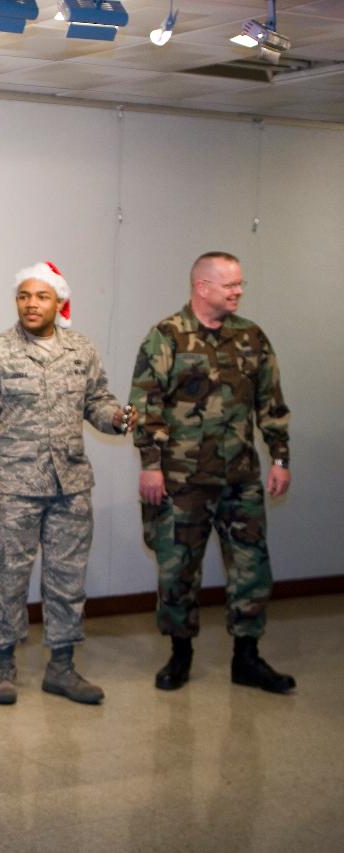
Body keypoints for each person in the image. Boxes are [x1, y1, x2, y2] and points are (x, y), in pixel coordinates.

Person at [0, 262, 136, 706]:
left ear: (58, 302)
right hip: (14, 485)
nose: (31, 303)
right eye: (24, 296)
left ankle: (61, 667)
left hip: (71, 484)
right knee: (7, 578)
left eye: (41, 296)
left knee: (68, 580)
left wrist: (118, 418)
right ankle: (4, 664)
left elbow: (98, 402)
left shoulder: (81, 350)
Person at [131, 251, 294, 694]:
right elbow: (144, 408)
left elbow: (271, 403)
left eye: (240, 284)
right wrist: (150, 466)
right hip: (182, 482)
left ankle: (247, 657)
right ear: (202, 287)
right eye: (230, 285)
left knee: (251, 567)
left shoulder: (252, 337)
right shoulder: (166, 337)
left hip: (240, 478)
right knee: (177, 571)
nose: (239, 291)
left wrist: (280, 459)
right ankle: (179, 655)